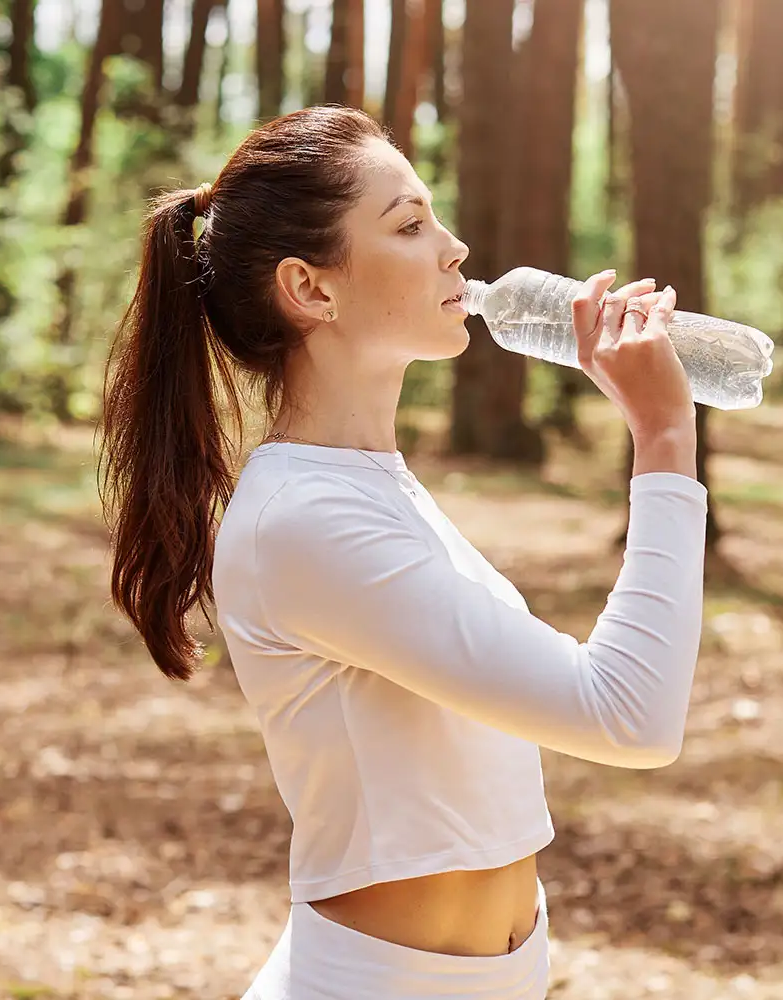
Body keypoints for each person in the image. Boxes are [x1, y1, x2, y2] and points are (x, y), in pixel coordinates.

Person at [99, 105, 707, 1000]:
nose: (455, 248)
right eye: (411, 225)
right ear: (311, 289)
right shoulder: (303, 521)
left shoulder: (370, 489)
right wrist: (661, 439)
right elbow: (627, 716)